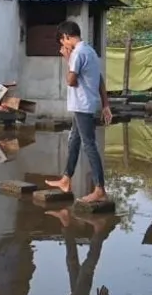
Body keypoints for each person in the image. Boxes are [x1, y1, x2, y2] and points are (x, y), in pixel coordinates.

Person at [46, 21, 112, 203]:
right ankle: (66, 179)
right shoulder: (91, 52)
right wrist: (106, 104)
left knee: (89, 144)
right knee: (73, 140)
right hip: (84, 104)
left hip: (82, 104)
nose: (63, 46)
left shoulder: (77, 53)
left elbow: (71, 81)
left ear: (67, 37)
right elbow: (99, 79)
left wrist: (67, 60)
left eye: (62, 42)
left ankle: (100, 189)